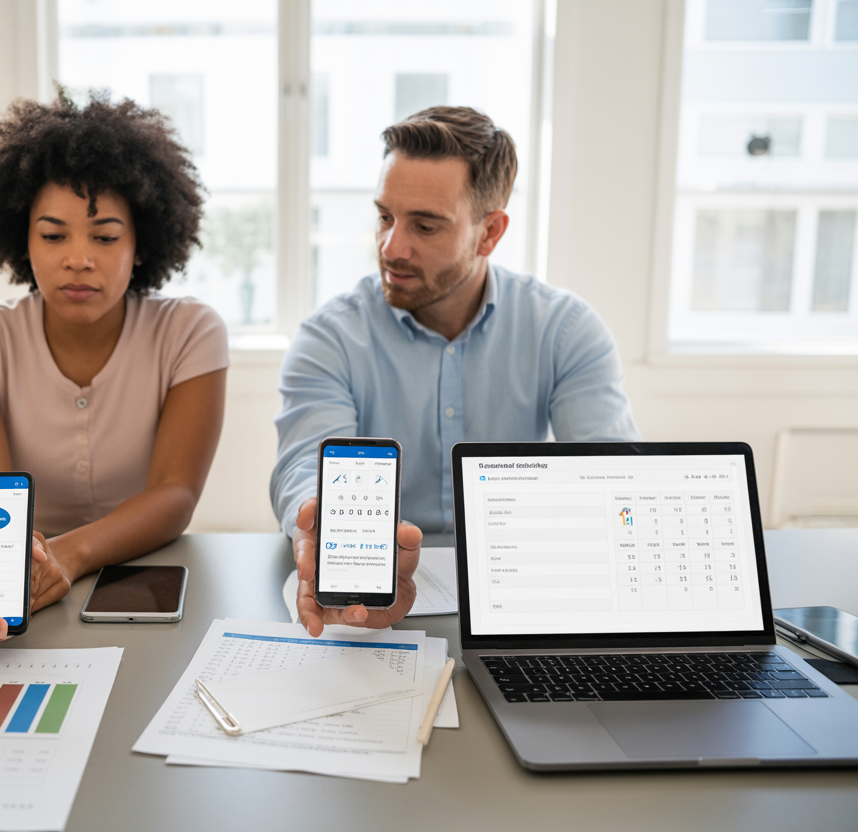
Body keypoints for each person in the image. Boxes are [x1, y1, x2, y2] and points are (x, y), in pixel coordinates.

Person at [273, 106, 640, 637]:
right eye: (384, 217)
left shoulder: (565, 330)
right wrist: (321, 525)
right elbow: (306, 465)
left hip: (521, 608)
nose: (391, 247)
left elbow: (615, 479)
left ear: (489, 232)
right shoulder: (330, 337)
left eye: (424, 225)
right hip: (370, 618)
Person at [0, 93, 228, 655]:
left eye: (106, 237)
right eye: (54, 234)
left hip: (147, 583)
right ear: (23, 239)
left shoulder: (190, 331)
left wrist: (66, 555)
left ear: (140, 246)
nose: (78, 259)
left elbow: (174, 493)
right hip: (32, 585)